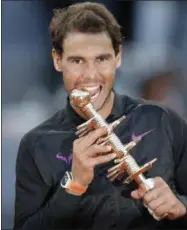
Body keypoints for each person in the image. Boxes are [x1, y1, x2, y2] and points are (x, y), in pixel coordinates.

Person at [14, 2, 187, 229]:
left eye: (102, 59)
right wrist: (73, 186)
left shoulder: (162, 120)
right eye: (77, 61)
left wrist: (181, 207)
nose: (90, 75)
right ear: (57, 61)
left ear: (118, 57)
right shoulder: (36, 144)